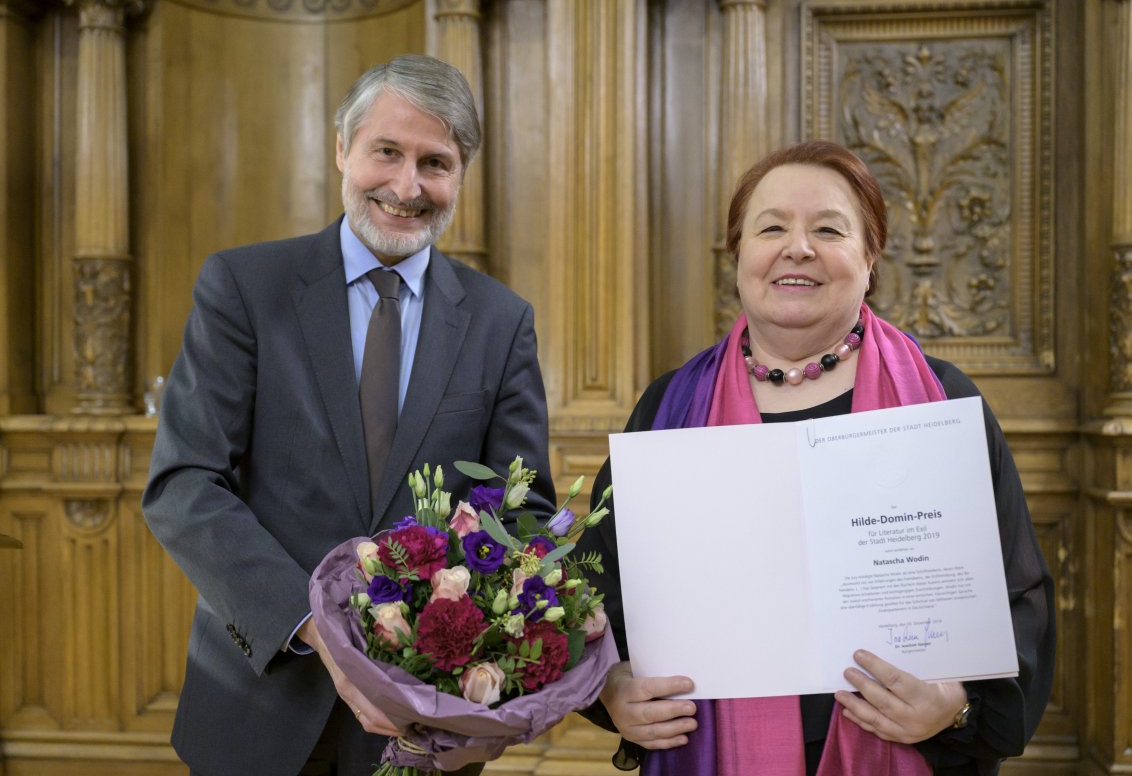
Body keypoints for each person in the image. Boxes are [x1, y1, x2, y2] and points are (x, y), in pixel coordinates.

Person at [577, 140, 1054, 775]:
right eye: (771, 227)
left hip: (911, 751)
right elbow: (595, 591)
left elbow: (1017, 593)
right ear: (739, 254)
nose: (797, 248)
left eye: (828, 229)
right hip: (711, 750)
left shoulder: (939, 401)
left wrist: (956, 706)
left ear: (869, 256)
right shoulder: (671, 407)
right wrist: (611, 690)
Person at [142, 55, 555, 776]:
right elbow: (183, 486)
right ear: (342, 148)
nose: (407, 186)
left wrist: (480, 667)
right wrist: (318, 630)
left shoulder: (500, 321)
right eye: (386, 152)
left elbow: (520, 513)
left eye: (436, 163)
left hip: (423, 722)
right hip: (258, 699)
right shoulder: (244, 287)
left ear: (461, 176)